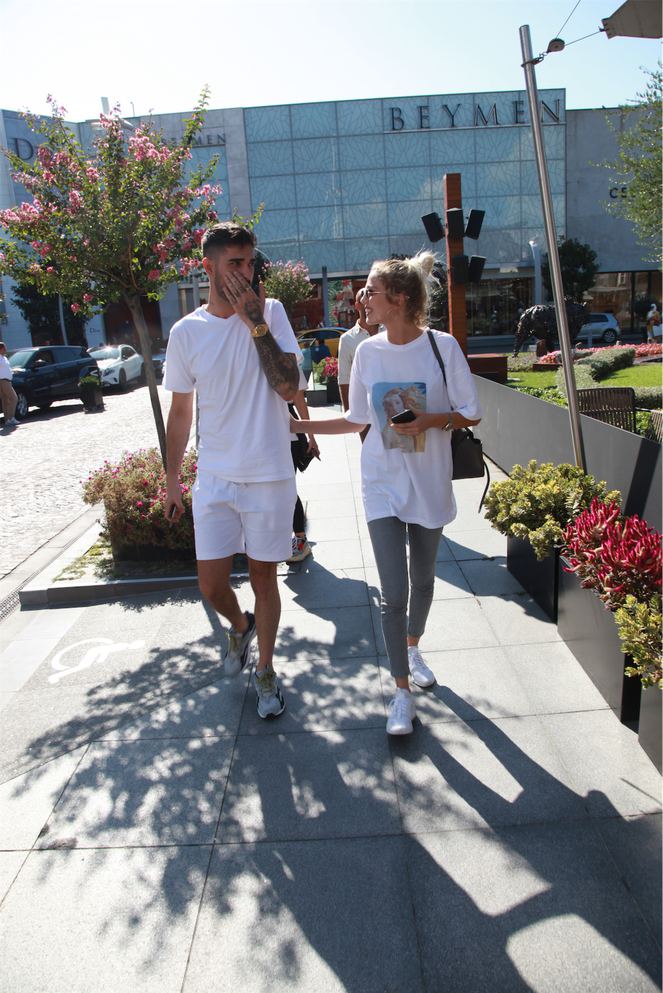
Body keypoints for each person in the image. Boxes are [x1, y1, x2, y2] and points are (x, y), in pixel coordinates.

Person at [293, 252, 481, 736]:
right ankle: (401, 693)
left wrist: (431, 420)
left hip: (429, 481)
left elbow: (471, 412)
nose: (363, 299)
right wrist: (297, 426)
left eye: (370, 291)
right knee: (393, 593)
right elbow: (356, 419)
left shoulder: (442, 347)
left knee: (424, 580)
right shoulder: (367, 352)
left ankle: (413, 647)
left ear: (398, 298)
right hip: (381, 482)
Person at [164, 221, 300, 719]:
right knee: (211, 585)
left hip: (269, 474)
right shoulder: (187, 332)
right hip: (216, 477)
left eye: (250, 262)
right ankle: (241, 627)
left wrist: (255, 322)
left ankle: (265, 671)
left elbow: (289, 387)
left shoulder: (272, 313)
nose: (246, 272)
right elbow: (181, 412)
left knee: (264, 578)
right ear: (208, 267)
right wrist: (172, 479)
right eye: (234, 263)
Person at [337, 288, 380, 412]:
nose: (367, 301)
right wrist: (348, 412)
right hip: (363, 408)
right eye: (363, 298)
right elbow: (344, 379)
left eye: (371, 296)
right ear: (356, 305)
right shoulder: (347, 339)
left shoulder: (389, 332)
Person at [0, 342, 18, 427]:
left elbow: (6, 368)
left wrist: (13, 371)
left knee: (5, 400)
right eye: (4, 348)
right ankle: (11, 418)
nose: (6, 349)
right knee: (14, 398)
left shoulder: (4, 358)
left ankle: (7, 420)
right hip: (3, 381)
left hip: (7, 380)